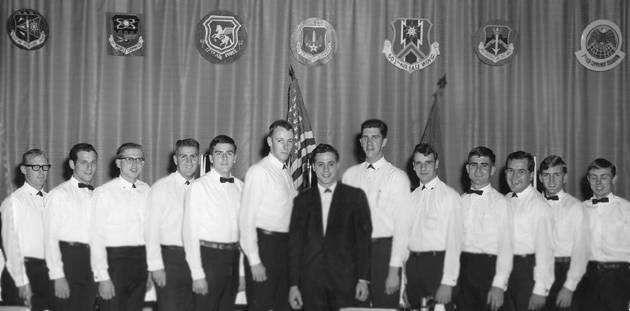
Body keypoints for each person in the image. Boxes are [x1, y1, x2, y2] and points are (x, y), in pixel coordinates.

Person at [288, 144, 372, 311]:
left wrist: (363, 279)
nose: (326, 169)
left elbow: (363, 242)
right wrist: (293, 285)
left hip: (346, 283)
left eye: (330, 164)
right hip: (310, 283)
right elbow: (295, 246)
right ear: (313, 167)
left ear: (338, 165)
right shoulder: (301, 200)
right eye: (320, 164)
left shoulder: (355, 197)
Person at [342, 119, 411, 308]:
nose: (369, 142)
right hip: (356, 253)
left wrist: (393, 270)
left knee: (385, 307)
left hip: (384, 252)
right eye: (365, 137)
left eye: (375, 137)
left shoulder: (397, 177)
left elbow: (403, 227)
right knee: (355, 306)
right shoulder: (350, 175)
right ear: (360, 141)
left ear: (384, 141)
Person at [240, 120, 298, 311]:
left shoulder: (285, 173)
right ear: (269, 142)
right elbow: (246, 218)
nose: (286, 146)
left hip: (283, 247)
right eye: (280, 140)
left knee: (283, 305)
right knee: (261, 305)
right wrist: (254, 260)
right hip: (265, 247)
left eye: (289, 141)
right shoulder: (259, 171)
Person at [183, 135, 242, 311]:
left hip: (233, 259)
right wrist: (197, 273)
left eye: (229, 153)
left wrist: (242, 273)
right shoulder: (199, 187)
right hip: (208, 259)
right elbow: (189, 232)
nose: (224, 158)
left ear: (235, 158)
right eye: (219, 153)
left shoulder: (241, 187)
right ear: (210, 158)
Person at [90, 142, 150, 311]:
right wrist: (103, 277)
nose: (134, 164)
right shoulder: (103, 193)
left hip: (141, 263)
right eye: (129, 159)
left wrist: (151, 269)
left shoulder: (147, 190)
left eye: (139, 159)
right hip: (115, 264)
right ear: (118, 163)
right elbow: (96, 237)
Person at [403, 143, 462, 310]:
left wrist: (448, 282)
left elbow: (455, 244)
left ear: (436, 163)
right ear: (413, 166)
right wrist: (405, 282)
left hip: (438, 267)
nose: (423, 168)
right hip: (413, 267)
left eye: (428, 162)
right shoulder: (410, 198)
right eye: (419, 163)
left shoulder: (450, 197)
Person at [456, 146, 513, 311]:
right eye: (474, 165)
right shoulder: (460, 201)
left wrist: (499, 285)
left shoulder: (502, 203)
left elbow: (507, 247)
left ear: (492, 170)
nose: (478, 170)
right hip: (463, 273)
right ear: (467, 169)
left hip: (489, 272)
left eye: (484, 165)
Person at [145, 139, 199, 311]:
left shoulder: (203, 187)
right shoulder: (161, 188)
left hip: (199, 259)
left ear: (199, 159)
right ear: (175, 160)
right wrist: (155, 266)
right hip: (171, 260)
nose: (189, 161)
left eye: (193, 156)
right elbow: (150, 230)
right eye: (184, 157)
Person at [45, 143, 98, 310]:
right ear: (72, 164)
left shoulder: (97, 195)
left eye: (93, 162)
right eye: (84, 162)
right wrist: (57, 276)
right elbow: (49, 237)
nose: (89, 168)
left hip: (91, 264)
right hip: (68, 261)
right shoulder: (59, 195)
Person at [1, 149, 54, 311]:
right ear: (24, 169)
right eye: (35, 167)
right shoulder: (14, 202)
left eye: (44, 167)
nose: (41, 171)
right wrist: (21, 281)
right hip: (24, 273)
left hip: (47, 273)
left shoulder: (51, 200)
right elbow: (11, 246)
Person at [576, 158, 630, 311]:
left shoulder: (626, 210)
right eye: (594, 177)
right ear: (588, 180)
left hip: (618, 279)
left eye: (604, 177)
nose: (598, 182)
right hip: (586, 279)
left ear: (614, 179)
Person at [504, 151, 554, 311]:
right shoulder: (505, 199)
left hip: (527, 274)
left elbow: (546, 252)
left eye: (521, 172)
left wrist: (540, 290)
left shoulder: (540, 206)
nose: (514, 177)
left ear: (531, 175)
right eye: (510, 171)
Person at [538, 155, 587, 311]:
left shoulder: (576, 207)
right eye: (546, 175)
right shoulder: (534, 204)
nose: (551, 181)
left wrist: (569, 287)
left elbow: (582, 250)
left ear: (565, 178)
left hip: (564, 272)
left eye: (556, 175)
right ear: (540, 177)